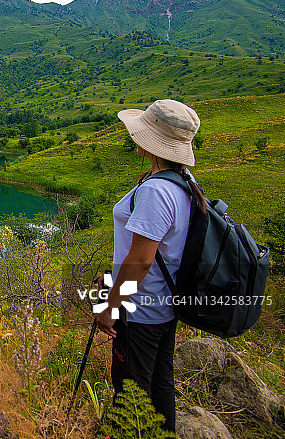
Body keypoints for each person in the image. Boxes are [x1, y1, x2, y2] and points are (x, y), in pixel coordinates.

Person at [94, 99, 207, 432]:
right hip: (163, 306)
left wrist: (111, 306)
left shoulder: (157, 191)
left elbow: (142, 261)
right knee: (159, 382)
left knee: (131, 391)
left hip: (140, 310)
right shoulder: (183, 181)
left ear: (153, 141)